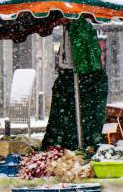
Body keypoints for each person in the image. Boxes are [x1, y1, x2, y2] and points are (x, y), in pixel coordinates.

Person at [42, 19, 108, 150]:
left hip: (81, 81)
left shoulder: (79, 28)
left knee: (79, 124)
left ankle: (79, 145)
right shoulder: (71, 29)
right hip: (77, 80)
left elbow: (84, 59)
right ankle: (78, 145)